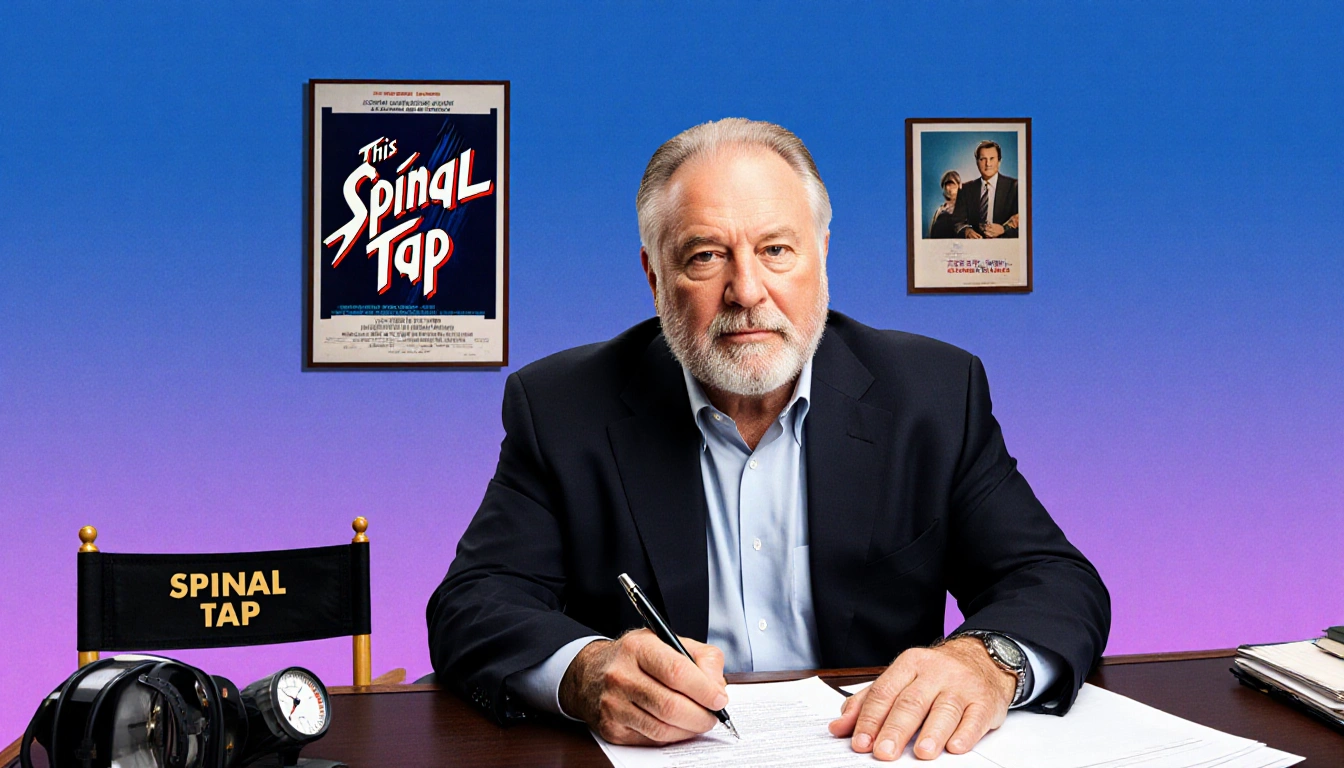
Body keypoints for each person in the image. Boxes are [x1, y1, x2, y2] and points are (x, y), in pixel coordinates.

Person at [427, 119, 1108, 761]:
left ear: (823, 254)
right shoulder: (563, 407)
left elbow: (1053, 580)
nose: (747, 291)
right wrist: (585, 670)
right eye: (705, 257)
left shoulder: (932, 394)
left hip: (872, 755)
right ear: (653, 276)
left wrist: (985, 662)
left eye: (776, 250)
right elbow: (473, 603)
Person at [952, 140, 1020, 238]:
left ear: (999, 161)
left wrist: (1003, 229)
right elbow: (957, 222)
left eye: (992, 158)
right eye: (983, 159)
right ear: (977, 162)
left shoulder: (1015, 186)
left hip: (1005, 246)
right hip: (974, 246)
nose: (988, 164)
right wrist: (966, 231)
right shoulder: (966, 189)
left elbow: (1026, 222)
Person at [928, 170, 962, 238]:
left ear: (959, 186)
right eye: (945, 185)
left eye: (952, 185)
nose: (948, 188)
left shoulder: (964, 209)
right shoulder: (939, 210)